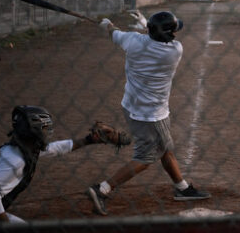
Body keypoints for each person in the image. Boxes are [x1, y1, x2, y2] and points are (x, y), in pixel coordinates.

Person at [87, 11, 210, 216]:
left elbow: (114, 32)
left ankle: (182, 188)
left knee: (165, 148)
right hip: (152, 114)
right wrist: (147, 25)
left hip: (131, 105)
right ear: (169, 35)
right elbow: (155, 38)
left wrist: (107, 24)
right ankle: (102, 189)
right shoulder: (174, 51)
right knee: (145, 157)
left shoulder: (132, 41)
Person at [0, 106, 128, 224]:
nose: (48, 132)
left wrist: (88, 140)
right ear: (35, 131)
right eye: (45, 128)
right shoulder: (16, 160)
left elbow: (55, 148)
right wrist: (4, 222)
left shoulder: (21, 148)